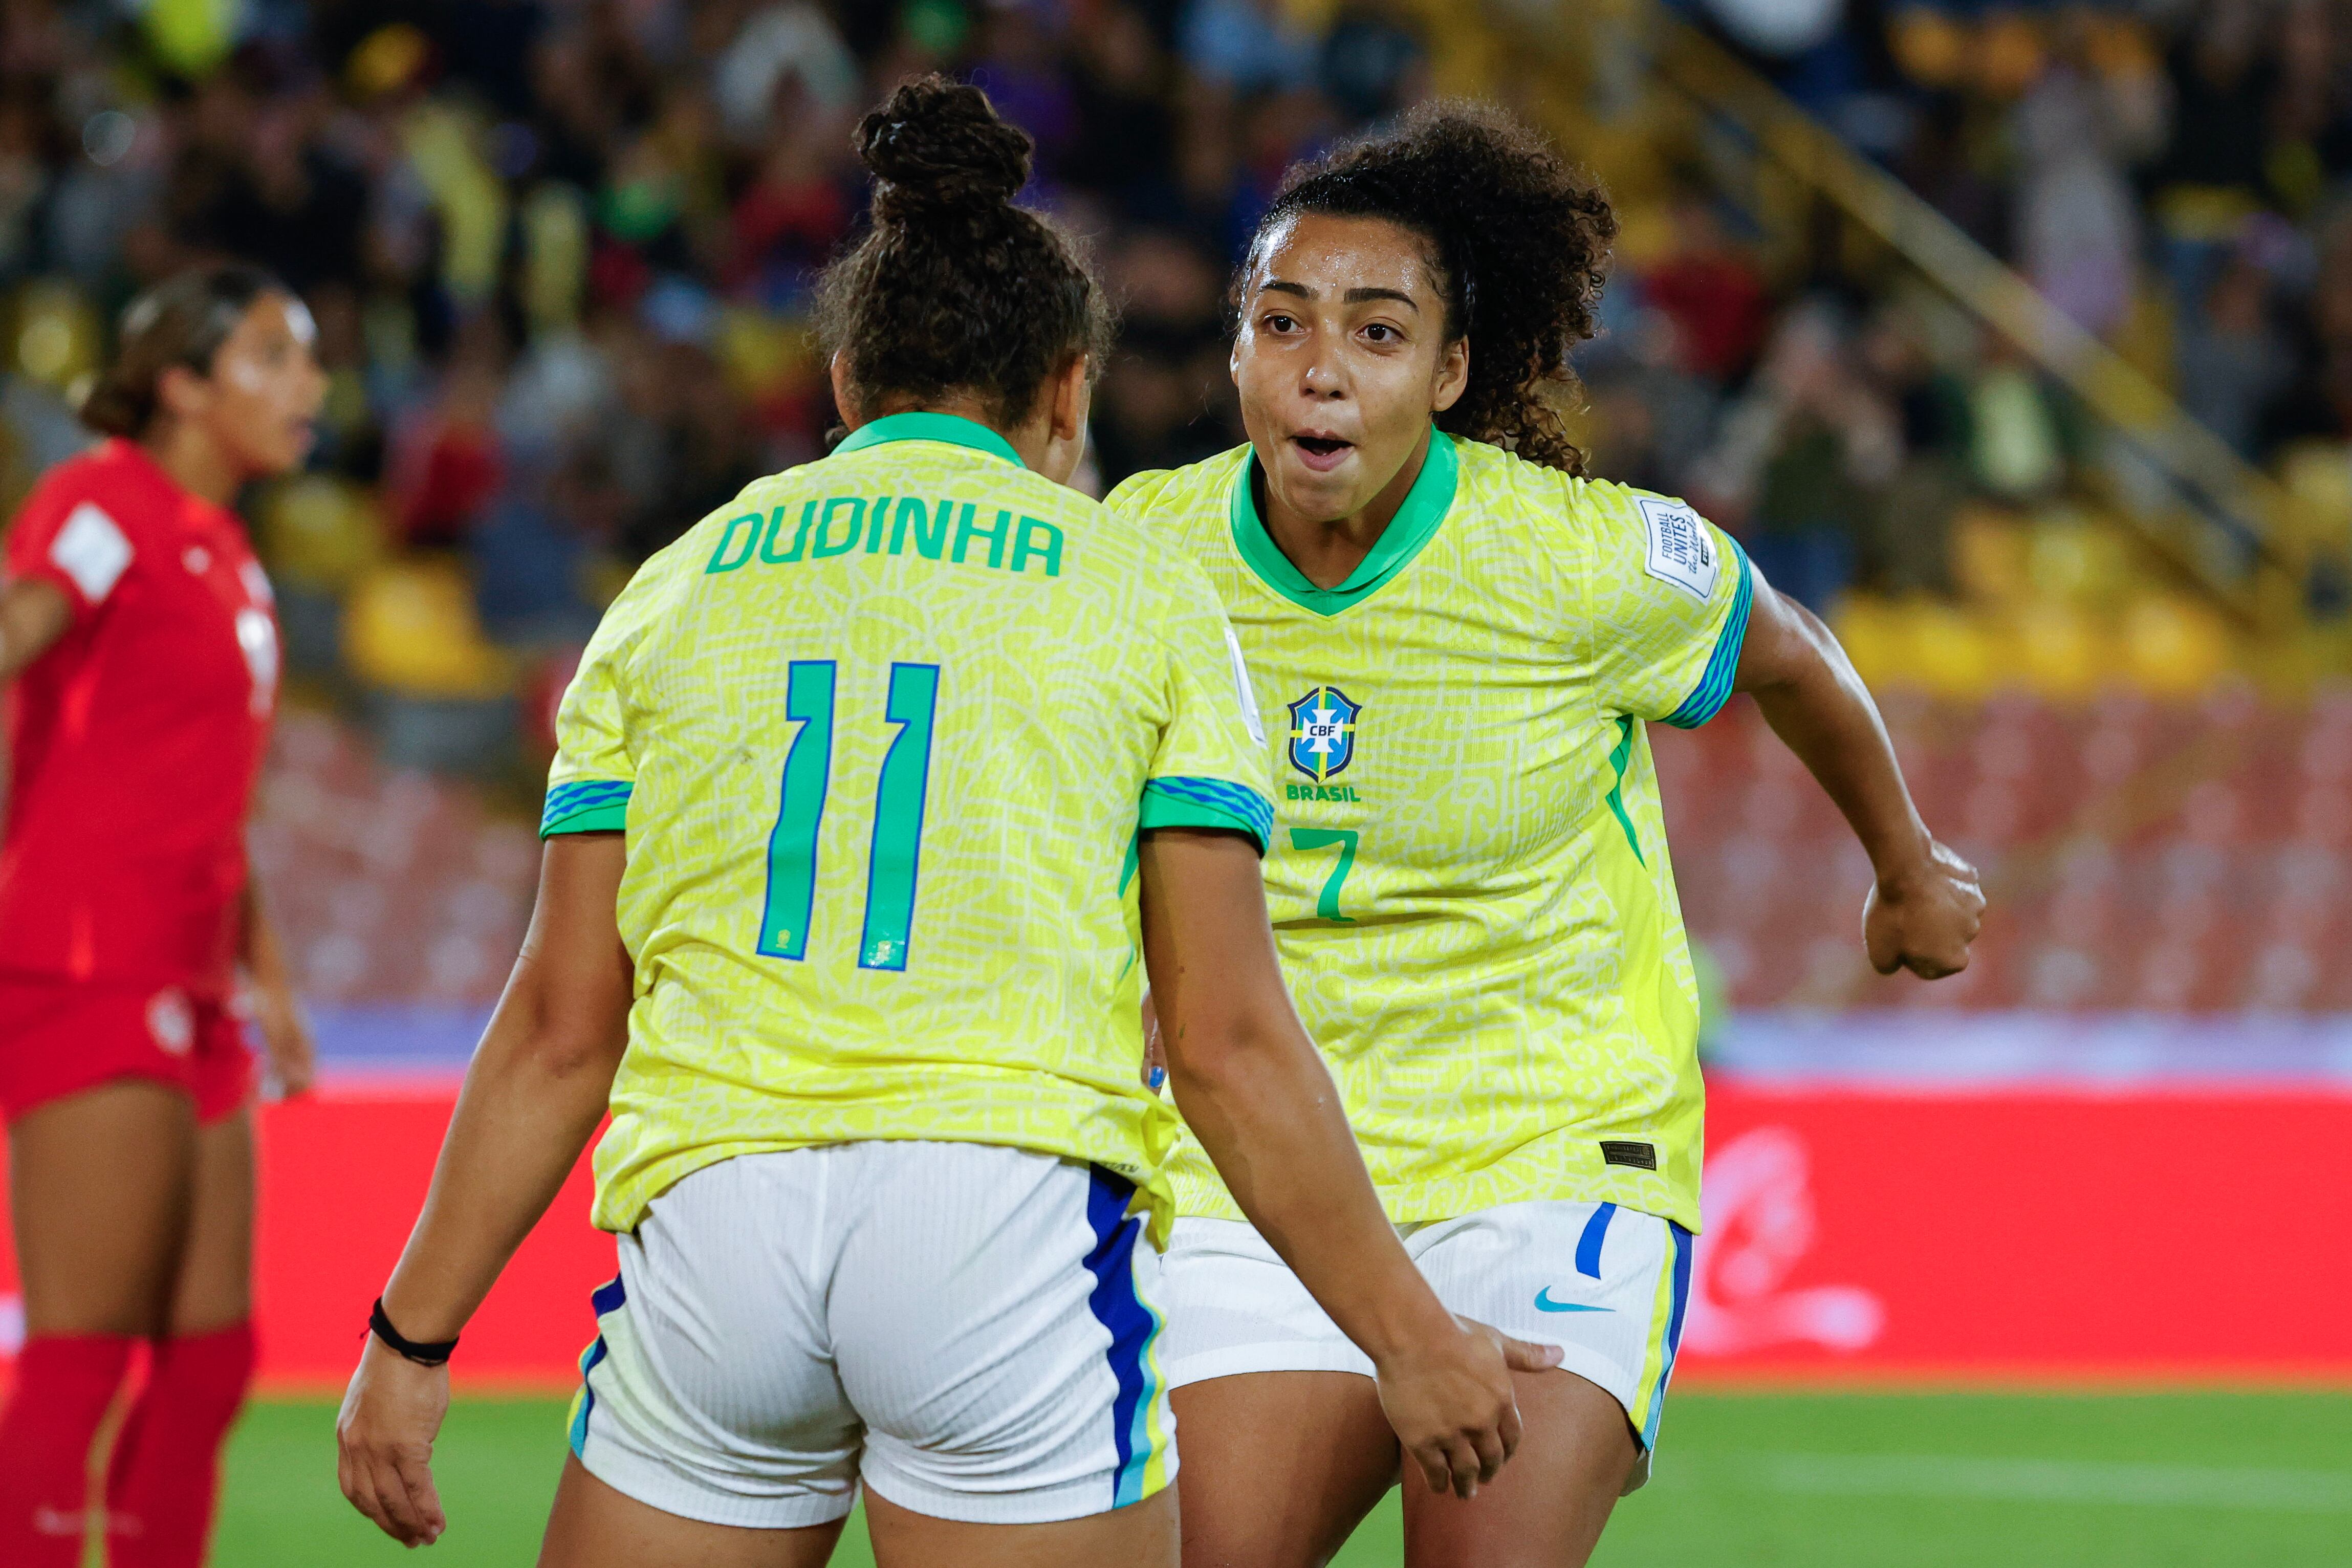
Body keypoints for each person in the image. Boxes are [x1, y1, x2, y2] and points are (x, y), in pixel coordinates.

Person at [334, 78, 1550, 1568]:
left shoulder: (673, 589)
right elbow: (1226, 1044)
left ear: (845, 383)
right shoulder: (1139, 593)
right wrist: (1409, 1338)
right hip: (996, 1220)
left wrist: (412, 1336)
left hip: (717, 1220)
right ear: (1065, 394)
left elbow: (559, 1029)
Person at [1109, 102, 1986, 1568]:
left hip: (1551, 1144)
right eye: (1281, 322)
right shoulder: (1139, 557)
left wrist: (1904, 867)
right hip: (1255, 1165)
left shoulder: (1584, 561)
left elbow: (1790, 652)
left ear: (1450, 371)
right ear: (1237, 349)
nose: (1320, 368)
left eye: (1377, 334)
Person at [0, 264, 324, 1568]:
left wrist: (272, 981)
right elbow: (21, 624)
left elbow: (208, 800)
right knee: (82, 1355)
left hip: (196, 991)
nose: (310, 386)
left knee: (207, 1359)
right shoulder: (106, 504)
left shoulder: (230, 553)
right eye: (273, 356)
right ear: (184, 386)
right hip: (86, 965)